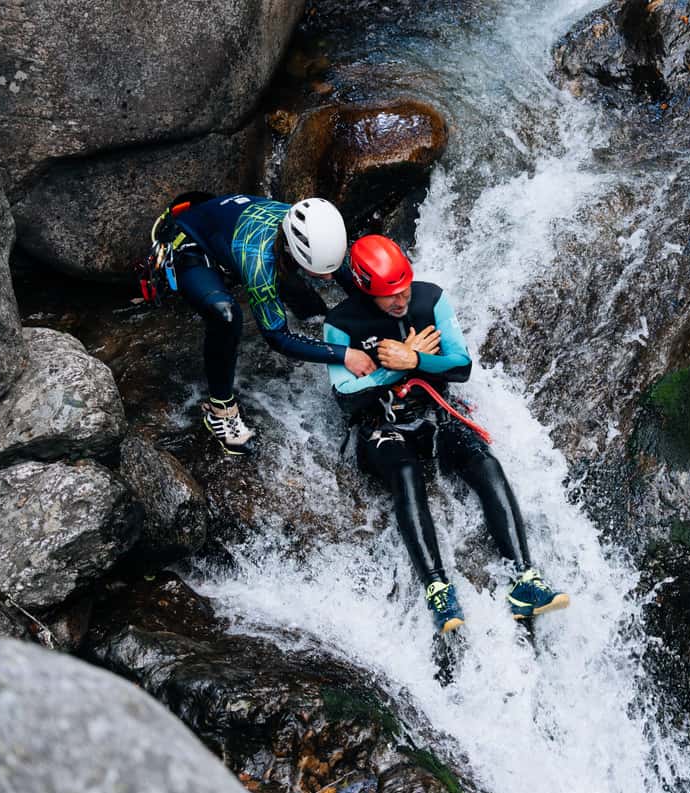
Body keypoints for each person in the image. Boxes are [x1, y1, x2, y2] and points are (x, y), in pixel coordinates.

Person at [323, 234, 569, 633]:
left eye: (403, 290)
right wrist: (398, 367)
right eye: (390, 297)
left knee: (484, 460)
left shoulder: (430, 299)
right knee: (405, 474)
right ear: (367, 289)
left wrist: (415, 357)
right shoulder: (341, 324)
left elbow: (460, 365)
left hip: (435, 413)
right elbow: (346, 396)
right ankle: (437, 589)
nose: (401, 301)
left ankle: (525, 581)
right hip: (381, 425)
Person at [150, 193, 376, 455]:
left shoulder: (314, 228)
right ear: (292, 248)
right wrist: (345, 355)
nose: (328, 277)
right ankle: (220, 412)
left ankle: (317, 323)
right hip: (190, 244)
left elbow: (346, 276)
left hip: (226, 224)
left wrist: (382, 322)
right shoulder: (258, 262)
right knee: (226, 316)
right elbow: (277, 338)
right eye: (322, 271)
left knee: (307, 301)